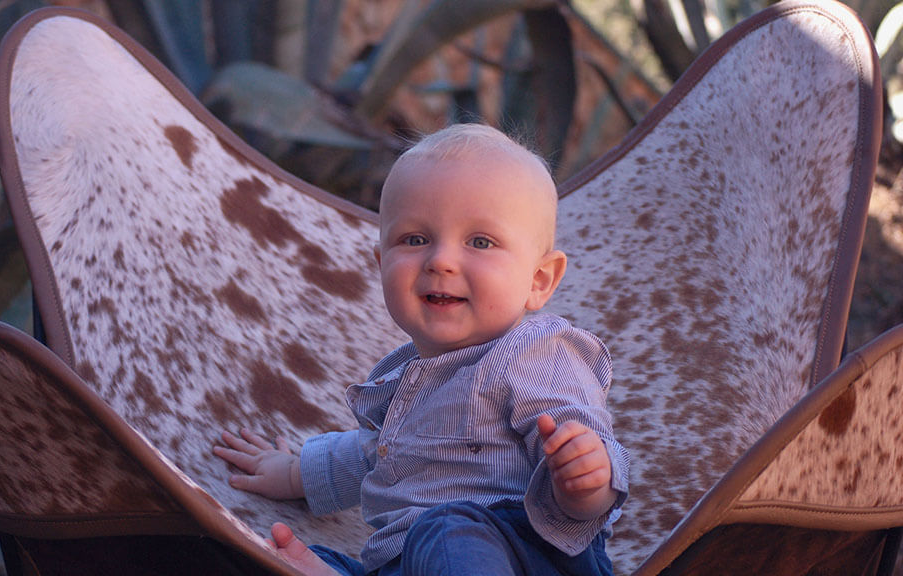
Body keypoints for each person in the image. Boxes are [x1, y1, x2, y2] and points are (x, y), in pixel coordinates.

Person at [213, 123, 629, 576]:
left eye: (480, 242)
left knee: (446, 530)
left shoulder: (535, 352)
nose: (441, 260)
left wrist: (586, 482)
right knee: (288, 556)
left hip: (527, 551)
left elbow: (582, 443)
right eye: (415, 240)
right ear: (381, 264)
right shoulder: (405, 379)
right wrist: (295, 473)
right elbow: (375, 455)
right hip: (414, 560)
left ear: (539, 280)